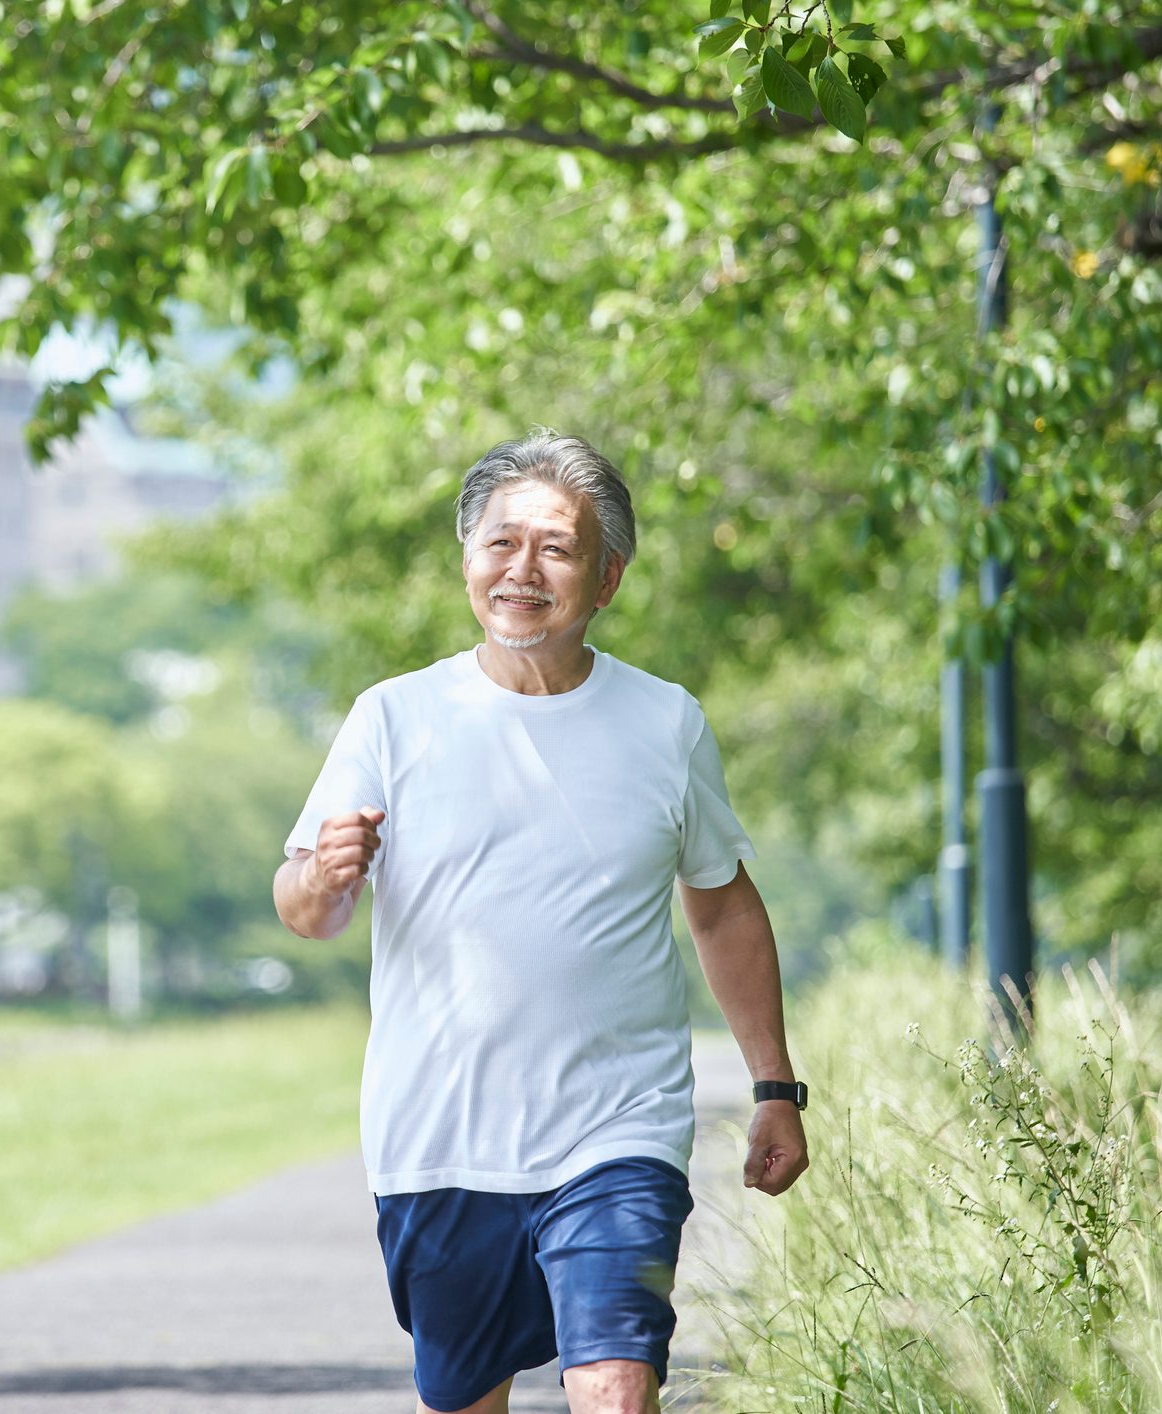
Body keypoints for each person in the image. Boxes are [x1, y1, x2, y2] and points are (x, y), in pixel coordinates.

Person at [273, 430, 809, 1414]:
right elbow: (308, 907)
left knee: (613, 1382)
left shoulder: (665, 723)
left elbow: (723, 903)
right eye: (500, 543)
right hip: (439, 1138)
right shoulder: (394, 716)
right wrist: (324, 872)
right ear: (469, 560)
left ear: (606, 579)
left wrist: (775, 1084)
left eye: (556, 548)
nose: (523, 569)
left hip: (617, 1129)